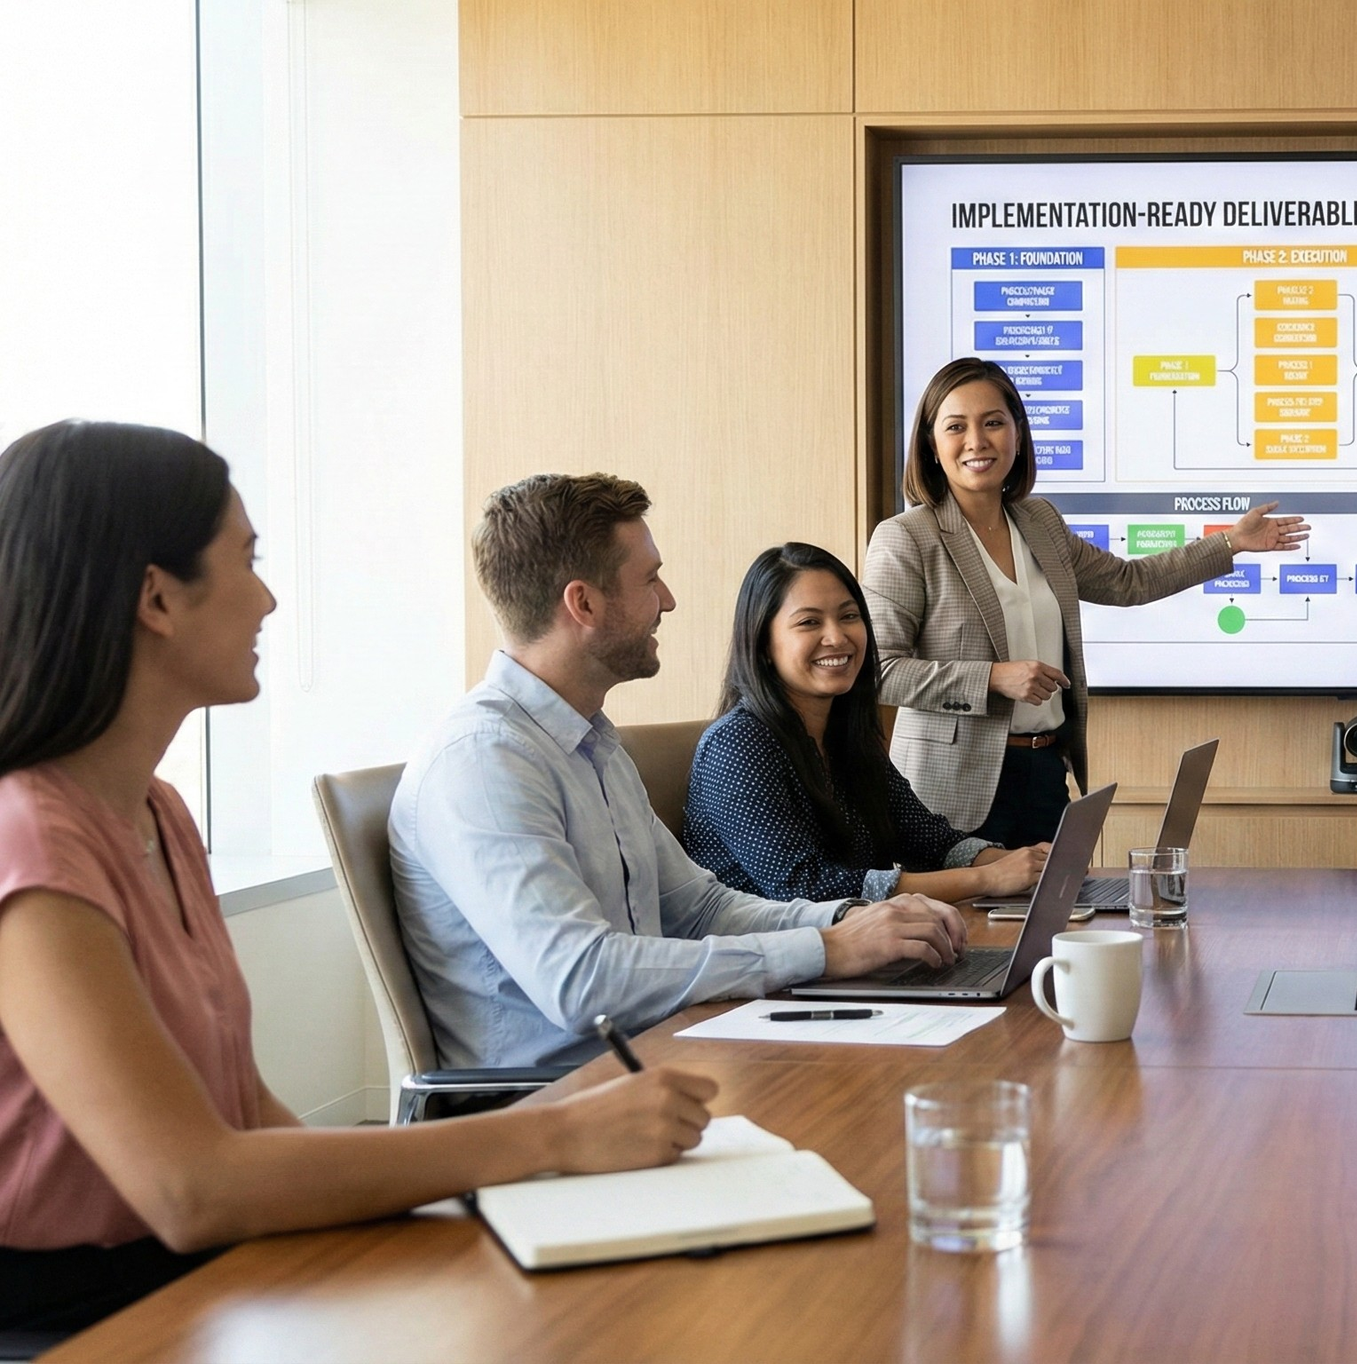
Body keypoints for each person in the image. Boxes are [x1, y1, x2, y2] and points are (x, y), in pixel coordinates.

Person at [0, 424, 713, 1336]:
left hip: (199, 1279)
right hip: (79, 1321)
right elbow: (189, 1186)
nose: (267, 598)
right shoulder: (34, 841)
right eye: (247, 561)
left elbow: (246, 1115)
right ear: (156, 598)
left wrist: (432, 1215)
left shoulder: (162, 813)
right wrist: (555, 1138)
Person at [392, 474, 968, 1070]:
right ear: (583, 603)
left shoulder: (591, 742)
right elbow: (582, 981)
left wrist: (852, 919)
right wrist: (824, 948)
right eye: (649, 579)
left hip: (664, 1054)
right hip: (555, 1103)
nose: (667, 600)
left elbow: (699, 909)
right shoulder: (484, 761)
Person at [863, 357, 1309, 846]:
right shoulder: (906, 538)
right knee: (961, 925)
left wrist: (1229, 543)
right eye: (956, 427)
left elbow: (1127, 581)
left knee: (1054, 917)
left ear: (1017, 433)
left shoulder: (1039, 522)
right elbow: (879, 671)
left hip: (1044, 772)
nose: (977, 441)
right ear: (931, 443)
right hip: (949, 791)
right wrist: (993, 678)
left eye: (993, 422)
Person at [686, 543, 1052, 904]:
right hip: (772, 955)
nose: (837, 637)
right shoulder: (737, 744)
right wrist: (985, 879)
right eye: (810, 622)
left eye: (848, 616)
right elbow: (806, 889)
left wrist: (1030, 864)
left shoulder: (844, 734)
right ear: (763, 644)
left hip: (863, 945)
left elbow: (931, 840)